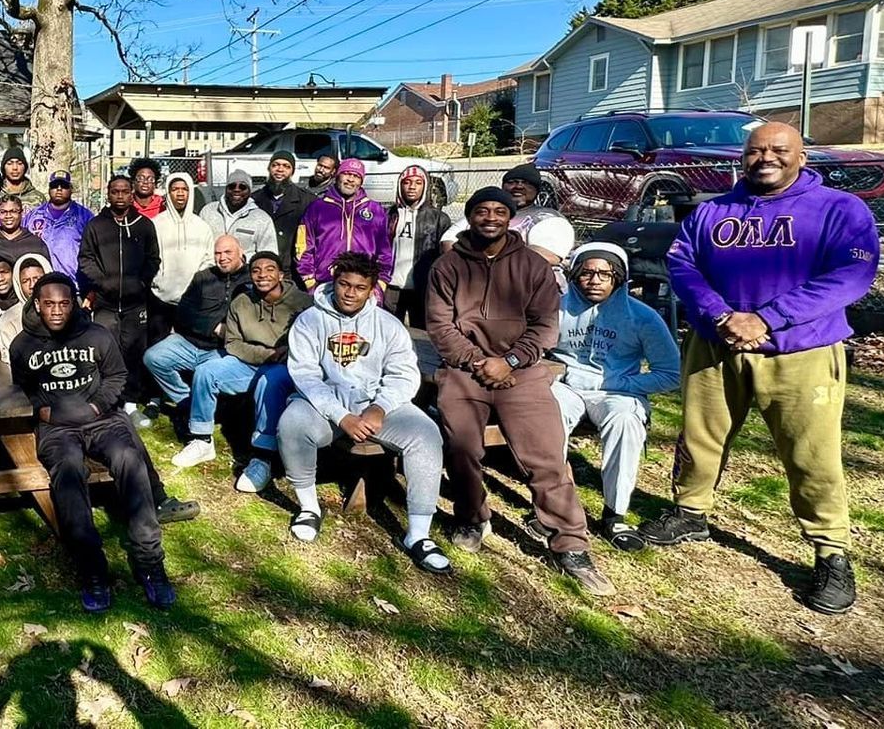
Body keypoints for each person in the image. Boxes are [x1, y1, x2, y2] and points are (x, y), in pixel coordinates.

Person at [642, 121, 879, 615]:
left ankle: (831, 551)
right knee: (700, 436)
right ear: (742, 158)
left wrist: (768, 318)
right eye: (755, 150)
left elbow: (852, 275)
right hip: (716, 343)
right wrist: (720, 315)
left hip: (801, 350)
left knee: (811, 452)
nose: (766, 157)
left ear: (801, 157)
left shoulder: (839, 210)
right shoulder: (713, 212)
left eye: (779, 149)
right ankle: (690, 512)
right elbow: (683, 265)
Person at [427, 187, 612, 596]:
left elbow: (545, 327)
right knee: (461, 447)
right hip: (465, 371)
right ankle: (472, 516)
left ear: (510, 218)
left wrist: (509, 361)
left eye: (499, 211)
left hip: (522, 372)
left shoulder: (533, 266)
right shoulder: (448, 266)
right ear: (470, 216)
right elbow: (441, 326)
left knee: (545, 455)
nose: (490, 218)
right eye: (482, 211)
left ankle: (569, 543)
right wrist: (480, 362)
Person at [10, 273, 175, 612]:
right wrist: (41, 409)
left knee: (129, 458)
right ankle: (92, 568)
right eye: (49, 304)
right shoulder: (22, 345)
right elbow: (22, 387)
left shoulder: (97, 335)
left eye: (64, 303)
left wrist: (98, 405)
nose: (57, 310)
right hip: (58, 430)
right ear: (37, 305)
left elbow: (117, 375)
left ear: (73, 304)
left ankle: (149, 560)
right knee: (68, 473)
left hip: (103, 419)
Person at [282, 253, 448, 571]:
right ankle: (308, 508)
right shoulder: (310, 321)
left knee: (426, 434)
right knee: (292, 422)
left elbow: (404, 374)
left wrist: (379, 407)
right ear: (334, 281)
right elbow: (305, 375)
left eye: (360, 287)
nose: (350, 293)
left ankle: (418, 534)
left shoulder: (388, 324)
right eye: (344, 284)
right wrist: (340, 415)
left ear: (372, 290)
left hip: (376, 406)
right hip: (327, 405)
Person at [549, 243, 681, 553]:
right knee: (548, 412)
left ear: (619, 278)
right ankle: (553, 506)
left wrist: (619, 382)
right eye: (587, 273)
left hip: (618, 389)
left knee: (625, 421)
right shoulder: (555, 308)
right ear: (574, 275)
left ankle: (615, 513)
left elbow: (671, 372)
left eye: (605, 274)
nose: (595, 280)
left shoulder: (642, 317)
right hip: (566, 384)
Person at [172, 252, 310, 494]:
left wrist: (286, 352)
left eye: (269, 269)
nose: (262, 275)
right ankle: (202, 440)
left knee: (270, 383)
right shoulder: (241, 303)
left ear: (281, 275)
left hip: (285, 366)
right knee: (206, 372)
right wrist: (265, 354)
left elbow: (311, 340)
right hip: (250, 362)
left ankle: (262, 457)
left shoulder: (302, 303)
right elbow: (233, 343)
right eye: (256, 270)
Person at [77, 174, 162, 422]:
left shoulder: (144, 225)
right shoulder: (96, 225)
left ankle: (130, 402)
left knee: (134, 351)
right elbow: (86, 259)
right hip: (106, 303)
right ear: (108, 194)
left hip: (136, 303)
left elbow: (153, 258)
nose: (120, 196)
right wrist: (103, 283)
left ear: (131, 194)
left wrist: (141, 282)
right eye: (115, 191)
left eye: (125, 191)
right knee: (105, 351)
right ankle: (106, 401)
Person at [142, 235, 248, 416]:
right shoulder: (203, 278)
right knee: (153, 357)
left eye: (228, 252)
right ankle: (186, 400)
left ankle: (211, 409)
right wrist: (215, 327)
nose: (222, 257)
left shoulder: (251, 280)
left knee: (209, 374)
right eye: (218, 253)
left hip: (221, 349)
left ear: (241, 252)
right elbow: (184, 313)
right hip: (189, 342)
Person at [440, 164, 573, 265]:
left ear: (537, 190)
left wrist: (490, 263)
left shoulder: (548, 218)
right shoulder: (484, 212)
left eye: (527, 183)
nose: (519, 186)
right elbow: (448, 242)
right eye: (512, 182)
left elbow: (547, 256)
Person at [296, 160, 393, 289]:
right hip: (324, 283)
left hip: (363, 284)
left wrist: (381, 282)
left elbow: (385, 250)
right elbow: (303, 245)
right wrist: (308, 279)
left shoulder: (375, 210)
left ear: (361, 181)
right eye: (346, 174)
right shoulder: (317, 208)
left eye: (356, 176)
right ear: (337, 176)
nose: (350, 179)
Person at [385, 165, 449, 329]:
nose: (412, 187)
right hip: (391, 287)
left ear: (425, 187)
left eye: (418, 182)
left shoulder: (439, 218)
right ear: (400, 185)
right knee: (389, 331)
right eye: (407, 182)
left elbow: (444, 258)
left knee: (421, 332)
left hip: (422, 287)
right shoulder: (388, 215)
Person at [152, 172, 215, 315]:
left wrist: (197, 284)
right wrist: (158, 281)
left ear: (190, 192)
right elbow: (149, 258)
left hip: (193, 298)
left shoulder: (202, 226)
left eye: (184, 189)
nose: (180, 193)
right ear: (168, 193)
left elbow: (209, 260)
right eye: (175, 189)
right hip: (160, 298)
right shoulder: (156, 224)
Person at [251, 150, 317, 270]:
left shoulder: (307, 200)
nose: (280, 169)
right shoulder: (254, 199)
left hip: (291, 267)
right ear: (269, 168)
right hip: (262, 267)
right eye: (275, 165)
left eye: (286, 166)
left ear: (292, 172)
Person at [0, 195, 51, 287]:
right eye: (3, 212)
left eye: (13, 211)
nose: (8, 216)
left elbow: (47, 276)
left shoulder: (36, 244)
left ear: (21, 213)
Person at [25, 170, 90, 278]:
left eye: (64, 186)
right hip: (39, 281)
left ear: (71, 190)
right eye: (55, 185)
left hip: (72, 282)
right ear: (49, 189)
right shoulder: (33, 216)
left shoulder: (84, 216)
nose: (59, 189)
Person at [202, 169, 278, 257]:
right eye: (232, 186)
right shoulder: (208, 211)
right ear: (226, 189)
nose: (237, 189)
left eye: (242, 187)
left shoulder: (262, 219)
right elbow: (198, 244)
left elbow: (269, 254)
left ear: (249, 191)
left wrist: (243, 260)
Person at [0, 254, 50, 359]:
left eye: (37, 278)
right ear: (18, 284)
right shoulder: (9, 320)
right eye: (25, 281)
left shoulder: (64, 312)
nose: (32, 285)